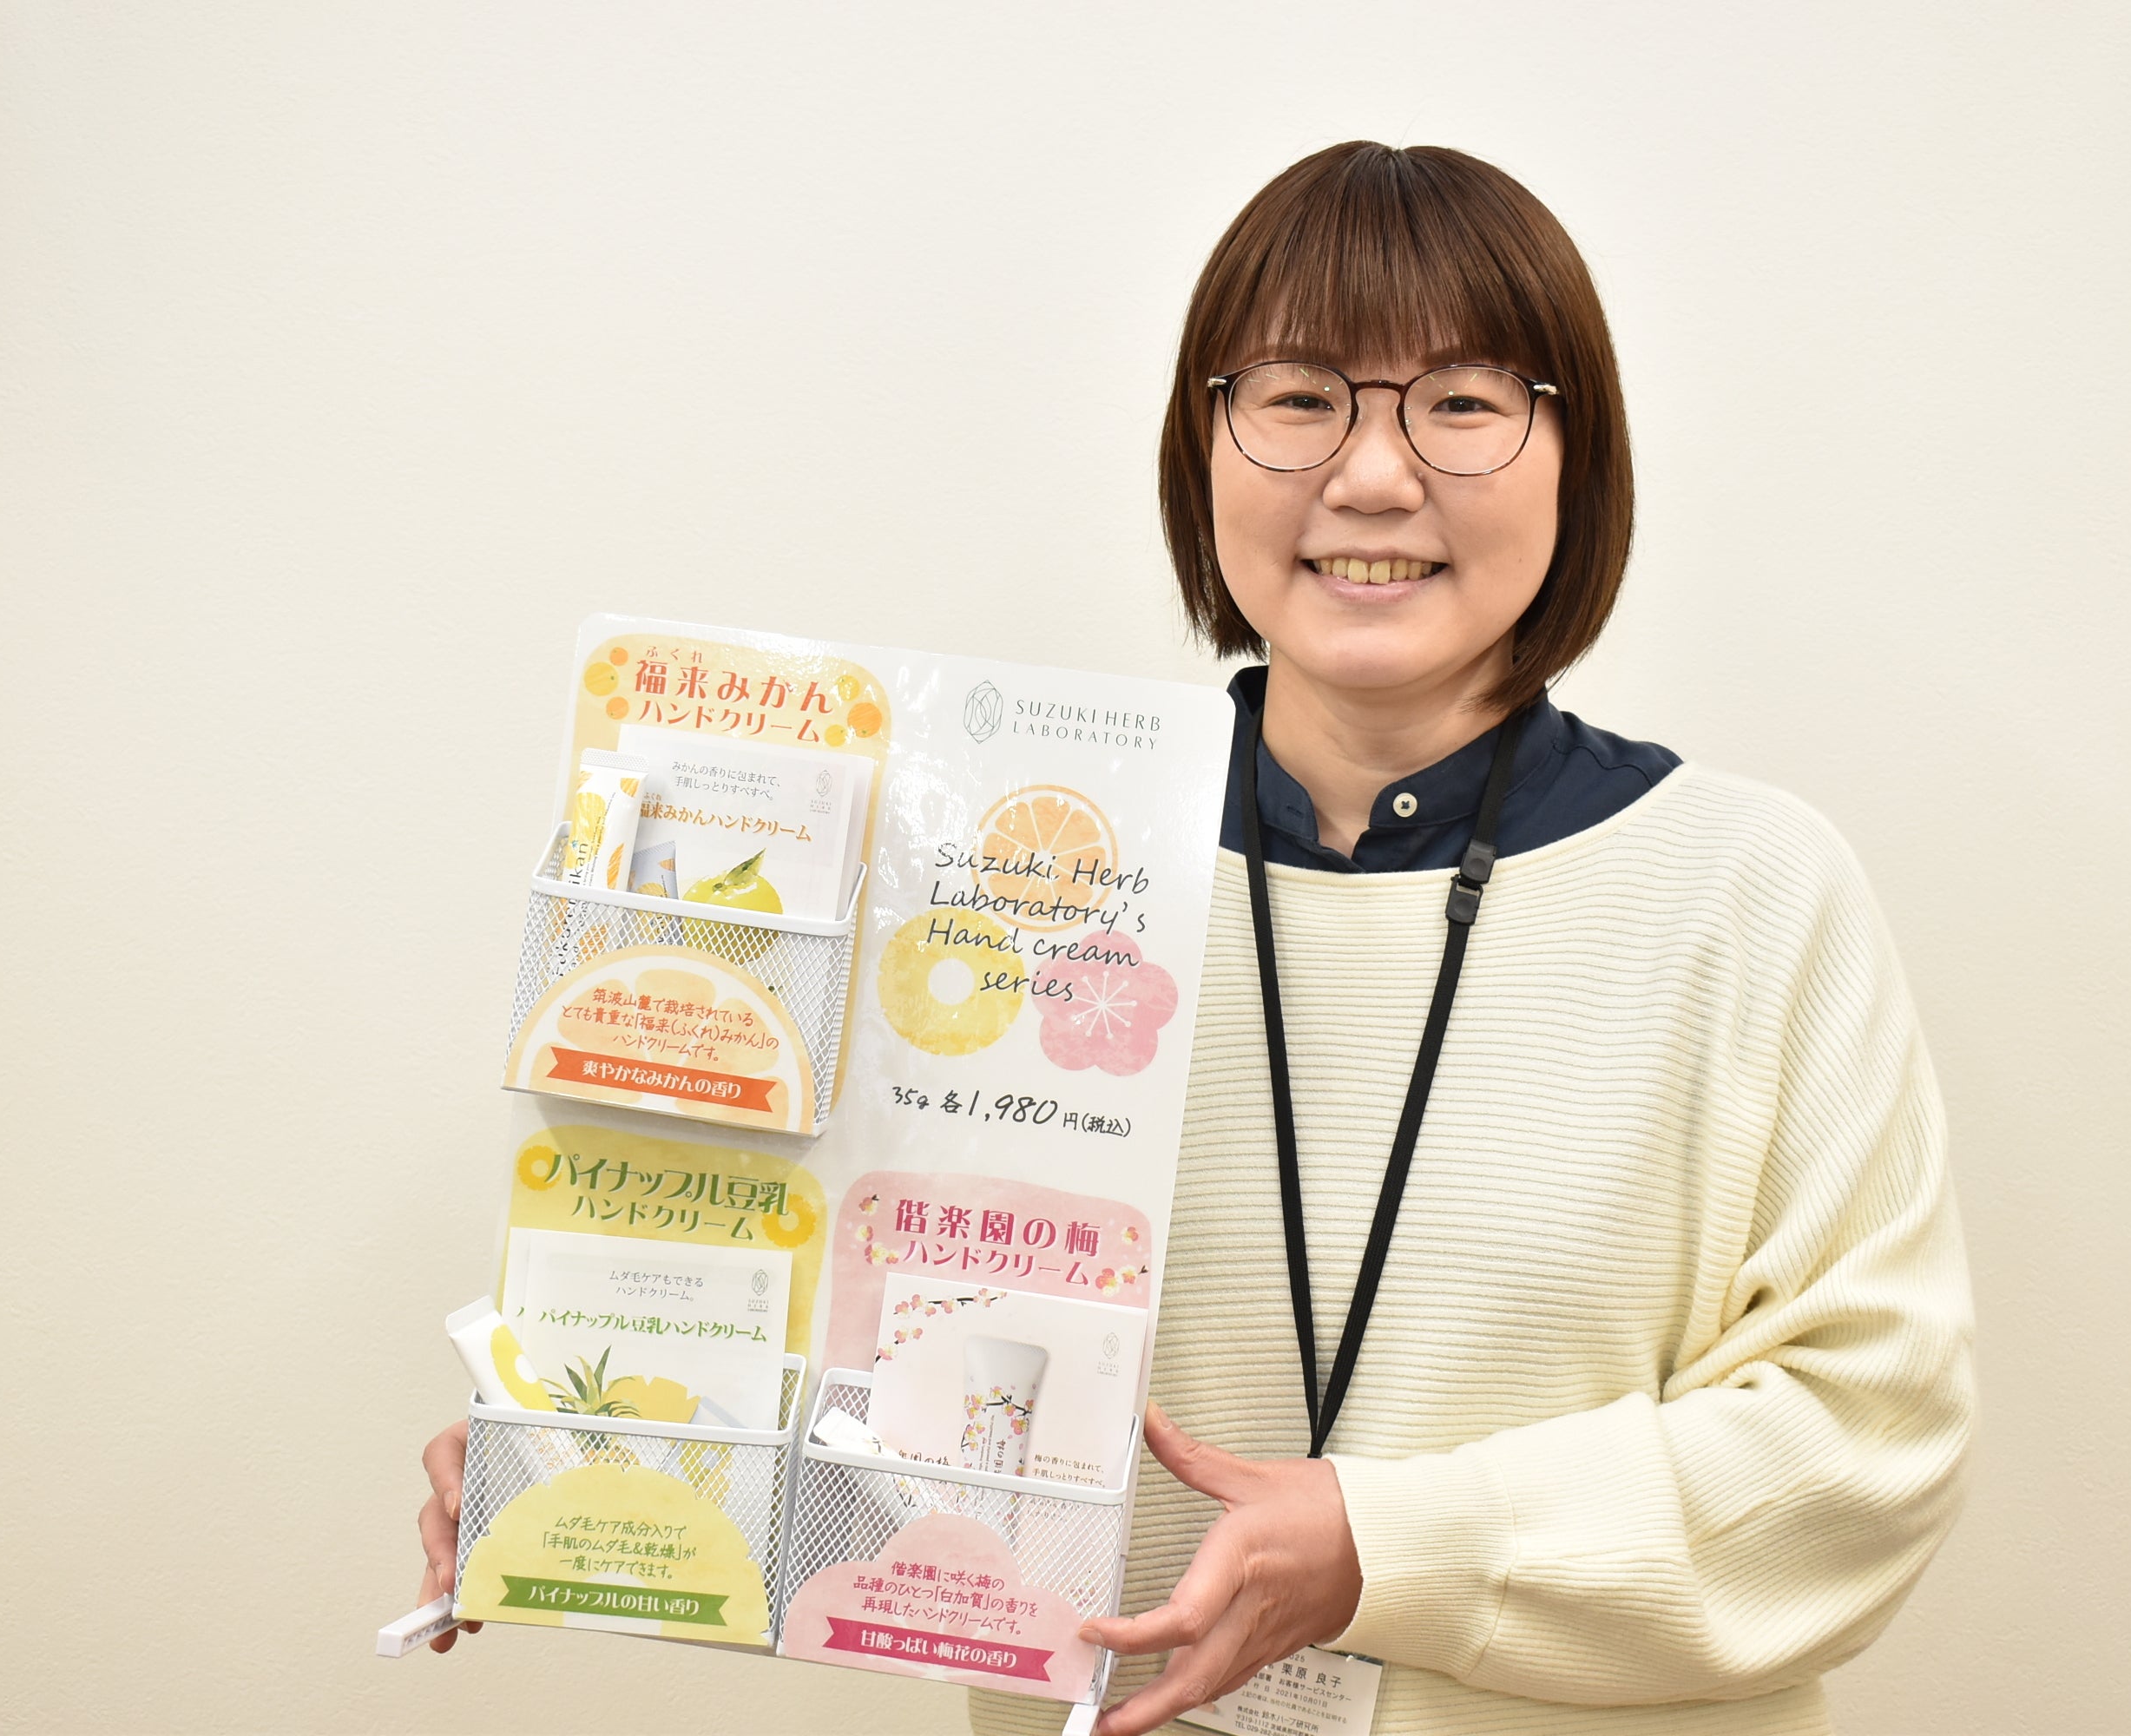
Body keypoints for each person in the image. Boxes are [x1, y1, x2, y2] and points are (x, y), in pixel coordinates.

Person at [415, 141, 1973, 1736]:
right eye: (1299, 397)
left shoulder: (1748, 889)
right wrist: (615, 1438)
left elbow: (1867, 1447)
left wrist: (1383, 1550)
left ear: (1579, 458)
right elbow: (867, 1354)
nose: (1374, 476)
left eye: (1463, 401)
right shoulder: (1003, 888)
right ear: (1201, 445)